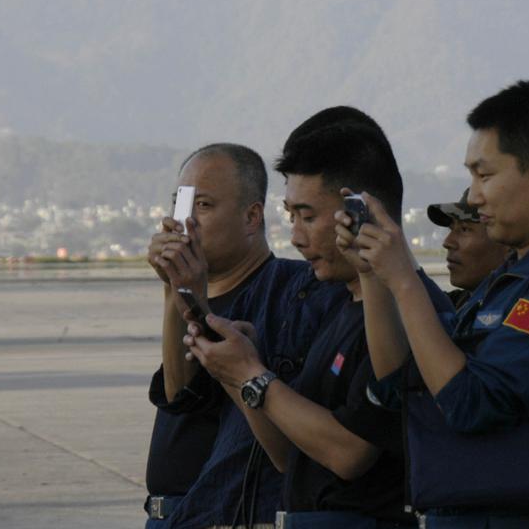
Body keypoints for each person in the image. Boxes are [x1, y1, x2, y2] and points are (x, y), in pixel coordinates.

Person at [338, 80, 529, 528]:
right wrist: (373, 275)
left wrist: (405, 280)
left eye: (484, 174)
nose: (473, 196)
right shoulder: (511, 276)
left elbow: (470, 404)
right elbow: (404, 387)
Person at [183, 109, 455, 528]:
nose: (295, 237)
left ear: (359, 212)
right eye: (292, 217)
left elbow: (349, 454)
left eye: (308, 216)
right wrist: (236, 372)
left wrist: (255, 376)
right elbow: (288, 455)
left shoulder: (412, 314)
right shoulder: (341, 307)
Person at [143, 143, 276, 527]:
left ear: (252, 217)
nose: (184, 224)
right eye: (179, 205)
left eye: (202, 206)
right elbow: (175, 392)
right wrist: (175, 289)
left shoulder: (285, 292)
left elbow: (187, 397)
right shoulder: (198, 289)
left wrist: (186, 294)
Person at [426, 188, 510, 308]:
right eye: (451, 229)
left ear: (508, 243)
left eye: (464, 229)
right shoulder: (461, 304)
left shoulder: (517, 309)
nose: (448, 242)